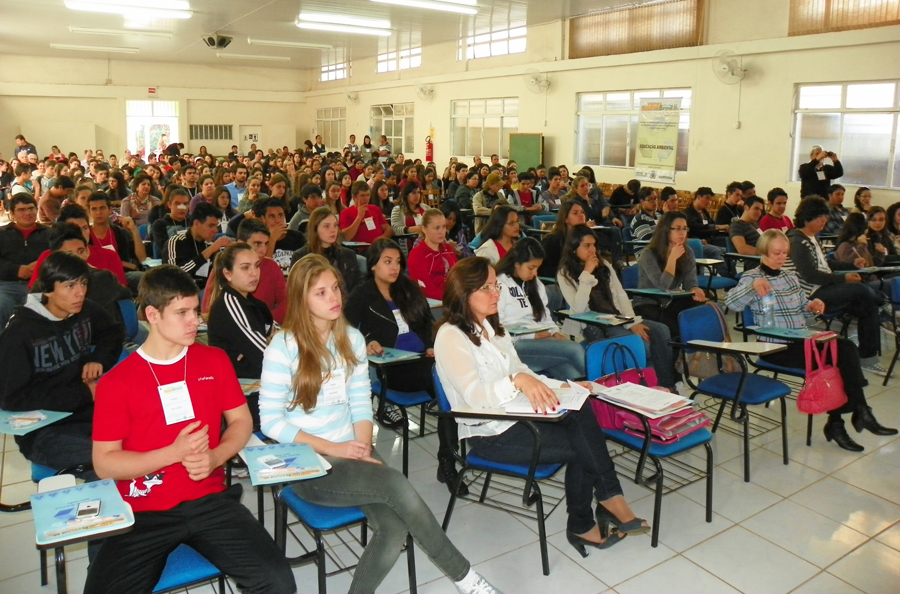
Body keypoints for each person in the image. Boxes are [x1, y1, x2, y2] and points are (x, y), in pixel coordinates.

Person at [259, 254, 502, 594]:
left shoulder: (351, 340)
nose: (333, 298)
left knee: (393, 528)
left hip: (352, 452)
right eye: (321, 293)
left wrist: (360, 446)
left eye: (335, 289)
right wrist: (338, 449)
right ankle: (467, 579)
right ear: (301, 299)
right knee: (398, 486)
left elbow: (360, 402)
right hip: (307, 464)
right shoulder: (283, 347)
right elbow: (269, 421)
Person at [85, 265, 295, 593]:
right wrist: (173, 453)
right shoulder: (117, 382)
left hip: (208, 499)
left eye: (195, 310)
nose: (194, 321)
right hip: (144, 510)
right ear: (152, 315)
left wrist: (215, 457)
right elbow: (105, 463)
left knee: (278, 583)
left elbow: (242, 421)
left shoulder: (213, 360)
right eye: (181, 312)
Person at [435, 256, 649, 556]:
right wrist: (515, 381)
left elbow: (526, 372)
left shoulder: (494, 329)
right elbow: (474, 396)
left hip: (521, 415)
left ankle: (606, 499)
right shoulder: (451, 336)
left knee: (582, 407)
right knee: (583, 447)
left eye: (496, 284)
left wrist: (566, 387)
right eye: (486, 288)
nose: (496, 292)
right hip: (492, 433)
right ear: (464, 292)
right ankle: (592, 514)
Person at [725, 230, 896, 451]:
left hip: (800, 339)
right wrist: (751, 287)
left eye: (785, 253)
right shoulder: (752, 277)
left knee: (844, 347)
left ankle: (847, 418)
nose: (781, 257)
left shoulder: (790, 277)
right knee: (834, 359)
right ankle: (855, 415)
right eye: (777, 253)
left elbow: (802, 311)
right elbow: (732, 304)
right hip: (774, 347)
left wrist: (813, 307)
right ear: (764, 251)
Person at [345, 239, 466, 495]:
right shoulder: (362, 294)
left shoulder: (408, 288)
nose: (394, 268)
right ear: (373, 265)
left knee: (451, 377)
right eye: (387, 262)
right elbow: (343, 328)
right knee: (444, 382)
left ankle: (450, 454)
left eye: (397, 262)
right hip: (394, 367)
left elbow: (424, 323)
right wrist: (366, 341)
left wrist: (433, 344)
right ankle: (449, 461)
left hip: (424, 359)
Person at [0, 251, 123, 475]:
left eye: (83, 283)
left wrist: (99, 359)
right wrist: (85, 393)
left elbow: (113, 331)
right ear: (47, 289)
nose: (80, 293)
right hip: (46, 431)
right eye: (69, 286)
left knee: (144, 438)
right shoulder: (19, 334)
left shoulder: (82, 309)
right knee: (113, 464)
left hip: (90, 413)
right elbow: (12, 398)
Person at [558, 225, 676, 389]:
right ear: (573, 248)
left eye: (594, 245)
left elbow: (621, 296)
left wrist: (632, 323)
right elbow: (578, 310)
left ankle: (667, 386)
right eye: (586, 246)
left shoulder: (604, 265)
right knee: (643, 345)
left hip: (618, 318)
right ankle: (642, 386)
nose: (592, 250)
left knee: (661, 331)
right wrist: (586, 274)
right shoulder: (565, 273)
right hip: (595, 324)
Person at [785, 196, 887, 375]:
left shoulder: (813, 238)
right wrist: (844, 279)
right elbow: (810, 275)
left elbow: (827, 265)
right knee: (860, 290)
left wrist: (852, 265)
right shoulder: (797, 241)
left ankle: (868, 358)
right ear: (807, 217)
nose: (824, 222)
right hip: (810, 295)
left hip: (824, 288)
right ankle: (883, 301)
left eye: (825, 218)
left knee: (867, 305)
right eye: (820, 219)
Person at [495, 237, 586, 380]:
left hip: (539, 341)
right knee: (574, 349)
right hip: (513, 344)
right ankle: (606, 387)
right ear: (516, 263)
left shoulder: (535, 284)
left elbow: (545, 317)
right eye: (531, 268)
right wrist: (530, 335)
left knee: (572, 374)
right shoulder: (499, 285)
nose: (535, 273)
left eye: (537, 268)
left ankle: (590, 397)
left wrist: (555, 332)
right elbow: (495, 327)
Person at [207, 243, 273, 430]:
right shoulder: (229, 304)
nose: (254, 273)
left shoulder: (254, 304)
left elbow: (281, 337)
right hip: (243, 395)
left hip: (260, 385)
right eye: (245, 268)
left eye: (256, 266)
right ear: (227, 274)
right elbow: (266, 352)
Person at [635, 212, 708, 339]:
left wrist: (694, 288)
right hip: (648, 302)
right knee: (673, 323)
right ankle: (675, 351)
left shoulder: (688, 252)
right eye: (677, 228)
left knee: (701, 305)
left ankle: (692, 350)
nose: (682, 233)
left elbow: (690, 282)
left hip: (671, 300)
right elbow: (662, 286)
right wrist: (672, 259)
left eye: (685, 228)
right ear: (665, 230)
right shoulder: (648, 254)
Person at [203, 218, 287, 324]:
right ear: (240, 244)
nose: (264, 250)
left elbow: (286, 303)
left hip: (265, 327)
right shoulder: (224, 266)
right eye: (257, 244)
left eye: (266, 243)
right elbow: (206, 309)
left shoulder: (272, 266)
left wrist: (263, 321)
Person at [0, 194, 51, 328]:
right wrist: (16, 270)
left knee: (40, 312)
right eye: (21, 210)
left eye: (30, 208)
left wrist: (40, 265)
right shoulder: (2, 234)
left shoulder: (50, 233)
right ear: (12, 213)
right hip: (7, 285)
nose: (27, 213)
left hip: (40, 284)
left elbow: (57, 257)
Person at [290, 206, 361, 293]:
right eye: (327, 226)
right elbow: (296, 292)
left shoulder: (348, 255)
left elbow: (358, 289)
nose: (333, 230)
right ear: (315, 229)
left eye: (335, 225)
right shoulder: (301, 256)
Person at [167, 202, 232, 288]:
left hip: (206, 290)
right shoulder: (176, 242)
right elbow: (175, 275)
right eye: (211, 226)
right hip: (181, 292)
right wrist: (209, 251)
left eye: (216, 226)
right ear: (196, 223)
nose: (216, 230)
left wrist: (231, 252)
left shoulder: (209, 244)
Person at [834, 212, 894, 300]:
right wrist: (862, 245)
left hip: (873, 279)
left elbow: (872, 264)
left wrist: (879, 253)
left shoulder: (859, 244)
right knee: (895, 283)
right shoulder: (845, 245)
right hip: (862, 284)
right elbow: (848, 264)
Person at [407, 208, 458, 301]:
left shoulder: (448, 248)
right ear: (424, 229)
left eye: (444, 227)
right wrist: (453, 300)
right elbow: (426, 289)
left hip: (455, 298)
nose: (442, 232)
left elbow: (458, 276)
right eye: (437, 228)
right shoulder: (417, 254)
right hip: (434, 303)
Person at [537, 200, 586, 278]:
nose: (581, 215)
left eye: (582, 212)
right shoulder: (552, 241)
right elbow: (546, 270)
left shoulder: (586, 237)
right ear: (565, 219)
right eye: (575, 213)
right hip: (558, 281)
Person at [151, 187, 191, 260]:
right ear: (169, 205)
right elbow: (164, 248)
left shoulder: (193, 222)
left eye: (185, 204)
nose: (181, 208)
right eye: (177, 203)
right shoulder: (159, 224)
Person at [390, 183, 426, 252]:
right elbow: (395, 229)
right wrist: (412, 229)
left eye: (418, 193)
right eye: (413, 193)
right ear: (406, 195)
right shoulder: (398, 210)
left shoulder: (424, 207)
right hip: (409, 247)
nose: (417, 196)